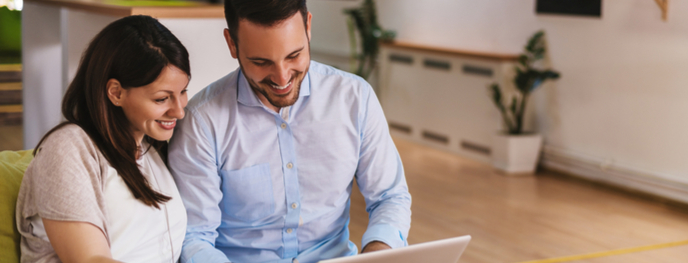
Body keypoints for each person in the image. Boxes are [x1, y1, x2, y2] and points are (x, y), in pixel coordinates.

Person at [167, 0, 412, 262]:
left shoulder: (355, 99)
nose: (282, 78)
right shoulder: (203, 121)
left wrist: (378, 252)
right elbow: (195, 236)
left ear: (308, 26)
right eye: (261, 62)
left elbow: (389, 197)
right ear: (232, 44)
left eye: (293, 56)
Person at [15, 15, 190, 263]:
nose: (179, 111)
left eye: (183, 92)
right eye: (162, 99)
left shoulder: (150, 146)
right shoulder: (69, 149)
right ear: (116, 93)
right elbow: (90, 259)